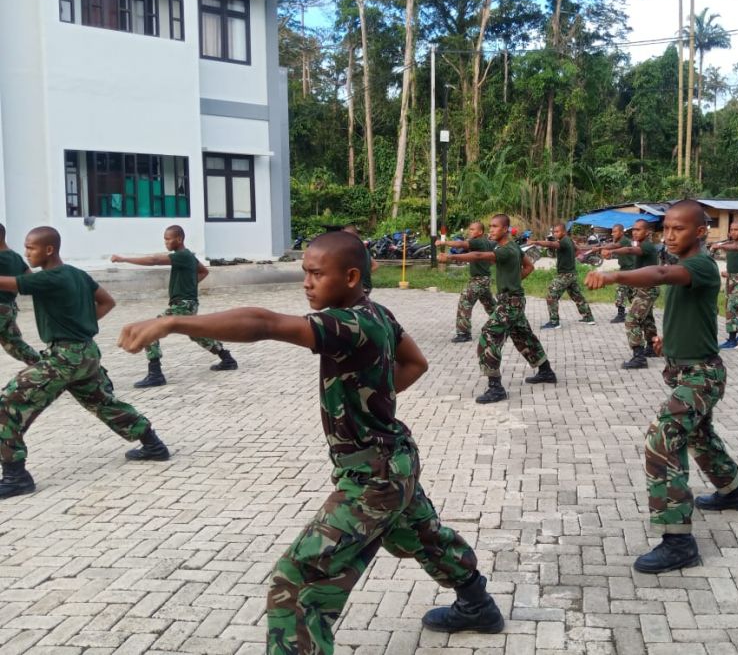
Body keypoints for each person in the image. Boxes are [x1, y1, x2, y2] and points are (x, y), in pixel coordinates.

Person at [118, 231, 504, 654]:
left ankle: (474, 604)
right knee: (423, 535)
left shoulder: (346, 323)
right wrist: (373, 396)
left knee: (297, 584)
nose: (307, 282)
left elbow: (265, 324)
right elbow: (416, 362)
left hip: (373, 477)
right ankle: (476, 605)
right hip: (396, 462)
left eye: (317, 274)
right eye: (305, 272)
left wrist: (172, 322)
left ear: (352, 276)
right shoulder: (377, 313)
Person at [585, 201, 738, 573]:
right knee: (699, 436)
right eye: (667, 229)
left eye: (679, 229)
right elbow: (687, 310)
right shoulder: (683, 264)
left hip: (702, 376)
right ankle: (733, 491)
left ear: (700, 232)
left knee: (662, 438)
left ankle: (678, 541)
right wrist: (667, 344)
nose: (671, 235)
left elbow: (659, 274)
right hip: (685, 369)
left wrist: (614, 277)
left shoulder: (701, 265)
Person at [0, 226, 170, 500]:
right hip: (86, 353)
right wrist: (83, 325)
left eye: (30, 248)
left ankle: (15, 477)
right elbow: (107, 301)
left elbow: (7, 283)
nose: (26, 252)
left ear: (48, 249)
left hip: (64, 358)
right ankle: (153, 444)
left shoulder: (49, 278)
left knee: (7, 404)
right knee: (103, 402)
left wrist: (76, 328)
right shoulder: (77, 274)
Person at [438, 214, 556, 404]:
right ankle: (546, 371)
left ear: (505, 229)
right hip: (513, 300)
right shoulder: (512, 247)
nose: (491, 230)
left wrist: (451, 256)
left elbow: (478, 256)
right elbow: (529, 266)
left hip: (510, 303)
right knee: (523, 336)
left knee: (489, 335)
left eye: (495, 227)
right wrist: (514, 281)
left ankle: (496, 388)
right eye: (490, 226)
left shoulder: (506, 250)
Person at [111, 225, 237, 387]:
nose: (166, 242)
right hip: (189, 304)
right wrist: (189, 286)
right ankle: (227, 359)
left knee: (152, 328)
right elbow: (203, 271)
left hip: (183, 305)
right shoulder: (189, 256)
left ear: (179, 239)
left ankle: (155, 373)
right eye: (164, 239)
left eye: (168, 239)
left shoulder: (182, 255)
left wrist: (124, 259)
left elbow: (154, 261)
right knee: (197, 333)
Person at [602, 219, 661, 369]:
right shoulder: (640, 244)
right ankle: (652, 348)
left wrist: (612, 251)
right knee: (647, 319)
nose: (634, 232)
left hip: (647, 290)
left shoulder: (646, 246)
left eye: (638, 230)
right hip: (644, 288)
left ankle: (639, 357)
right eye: (633, 229)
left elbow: (629, 250)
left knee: (631, 320)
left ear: (647, 232)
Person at [528, 223, 595, 329]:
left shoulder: (563, 241)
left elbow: (551, 244)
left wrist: (536, 242)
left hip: (565, 275)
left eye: (557, 231)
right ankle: (588, 317)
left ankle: (554, 322)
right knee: (577, 296)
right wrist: (575, 258)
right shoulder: (569, 240)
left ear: (563, 232)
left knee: (551, 295)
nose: (555, 234)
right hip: (572, 274)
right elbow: (578, 250)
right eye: (554, 232)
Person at [438, 221, 496, 343]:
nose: (470, 231)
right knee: (490, 305)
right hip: (484, 279)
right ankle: (505, 324)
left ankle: (463, 334)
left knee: (465, 302)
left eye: (472, 229)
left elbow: (461, 244)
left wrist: (444, 242)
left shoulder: (478, 241)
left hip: (479, 280)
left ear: (480, 232)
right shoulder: (487, 242)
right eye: (469, 229)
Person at [710, 221, 738, 349]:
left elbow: (735, 248)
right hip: (732, 280)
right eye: (731, 229)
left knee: (732, 307)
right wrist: (728, 273)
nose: (733, 232)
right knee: (737, 307)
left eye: (736, 229)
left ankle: (732, 340)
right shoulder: (730, 244)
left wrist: (719, 245)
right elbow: (735, 262)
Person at [0, 223, 40, 366]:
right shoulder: (15, 257)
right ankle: (44, 367)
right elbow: (30, 279)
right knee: (16, 346)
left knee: (15, 345)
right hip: (9, 309)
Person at [607, 224, 635, 323]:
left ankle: (621, 315)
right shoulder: (620, 240)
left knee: (621, 290)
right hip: (627, 269)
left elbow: (614, 246)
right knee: (632, 293)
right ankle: (639, 311)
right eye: (612, 231)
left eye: (615, 231)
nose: (612, 233)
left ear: (621, 232)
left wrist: (601, 248)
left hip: (628, 270)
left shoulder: (624, 240)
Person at [342, 225, 378, 295]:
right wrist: (365, 274)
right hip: (366, 287)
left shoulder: (352, 248)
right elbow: (375, 265)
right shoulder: (362, 247)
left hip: (359, 287)